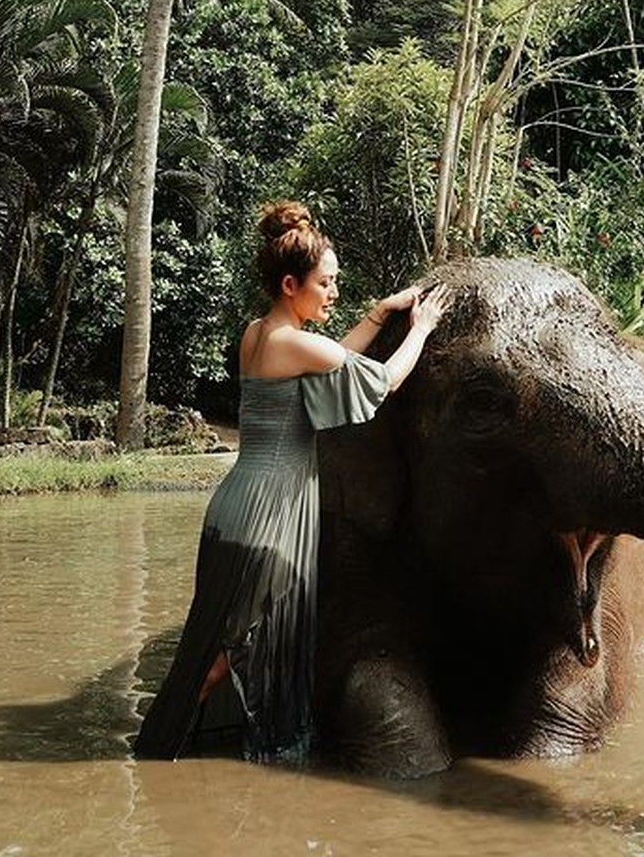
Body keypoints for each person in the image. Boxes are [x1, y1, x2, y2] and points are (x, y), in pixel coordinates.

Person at [133, 200, 450, 764]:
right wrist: (420, 329)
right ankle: (156, 761)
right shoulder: (292, 343)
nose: (332, 292)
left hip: (237, 505)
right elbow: (381, 381)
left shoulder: (259, 333)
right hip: (270, 517)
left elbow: (333, 359)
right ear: (289, 284)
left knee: (223, 642)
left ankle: (183, 754)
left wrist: (378, 314)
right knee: (225, 651)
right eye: (325, 283)